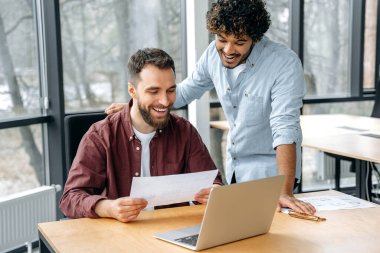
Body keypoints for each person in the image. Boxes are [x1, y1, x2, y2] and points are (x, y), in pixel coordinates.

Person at [105, 0, 316, 214]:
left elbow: (285, 127)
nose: (228, 49)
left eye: (240, 42)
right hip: (236, 168)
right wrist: (143, 104)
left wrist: (284, 191)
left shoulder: (284, 64)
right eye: (221, 39)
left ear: (256, 37)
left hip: (272, 175)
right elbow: (187, 90)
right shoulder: (212, 56)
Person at [60, 48, 222, 223]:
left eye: (170, 90)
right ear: (132, 91)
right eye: (154, 92)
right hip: (120, 238)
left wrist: (214, 191)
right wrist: (108, 207)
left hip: (172, 233)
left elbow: (213, 183)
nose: (165, 101)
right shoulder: (100, 135)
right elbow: (70, 198)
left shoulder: (185, 131)